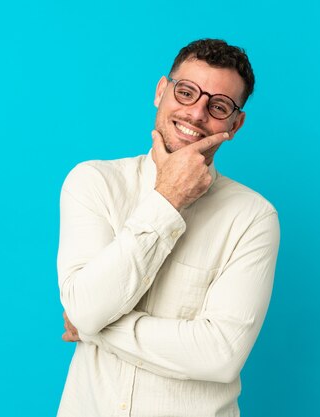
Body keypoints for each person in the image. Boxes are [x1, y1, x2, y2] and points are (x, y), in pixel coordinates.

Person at [56, 39, 280, 417]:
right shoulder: (93, 182)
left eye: (218, 106)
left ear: (235, 124)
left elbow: (219, 356)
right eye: (186, 92)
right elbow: (85, 308)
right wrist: (168, 198)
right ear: (161, 92)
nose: (196, 114)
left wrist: (95, 326)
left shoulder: (253, 217)